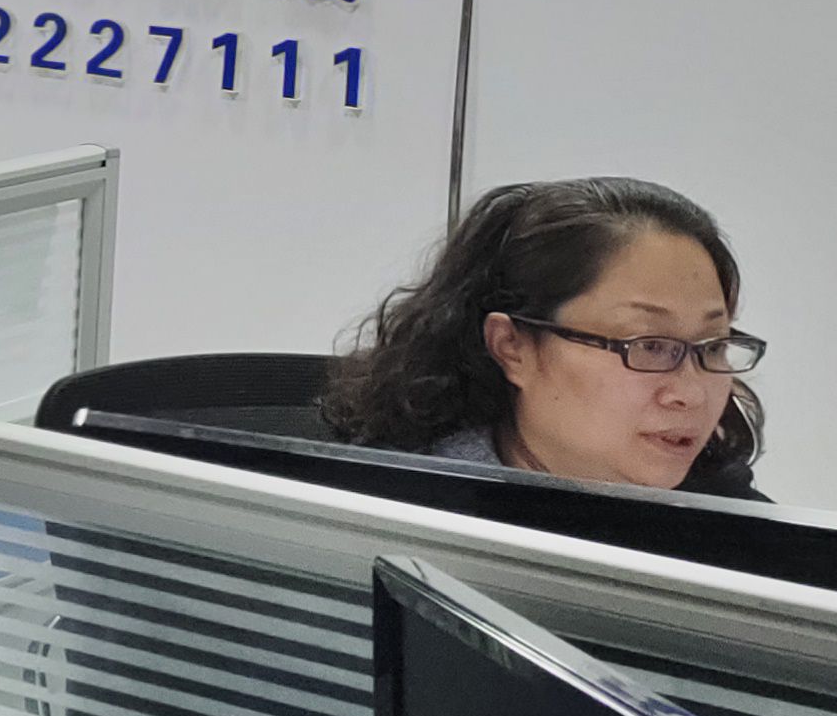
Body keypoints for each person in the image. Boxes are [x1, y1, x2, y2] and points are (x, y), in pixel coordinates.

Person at [317, 176, 768, 498]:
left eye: (713, 346)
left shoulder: (741, 531)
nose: (690, 393)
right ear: (511, 347)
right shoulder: (387, 517)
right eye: (650, 346)